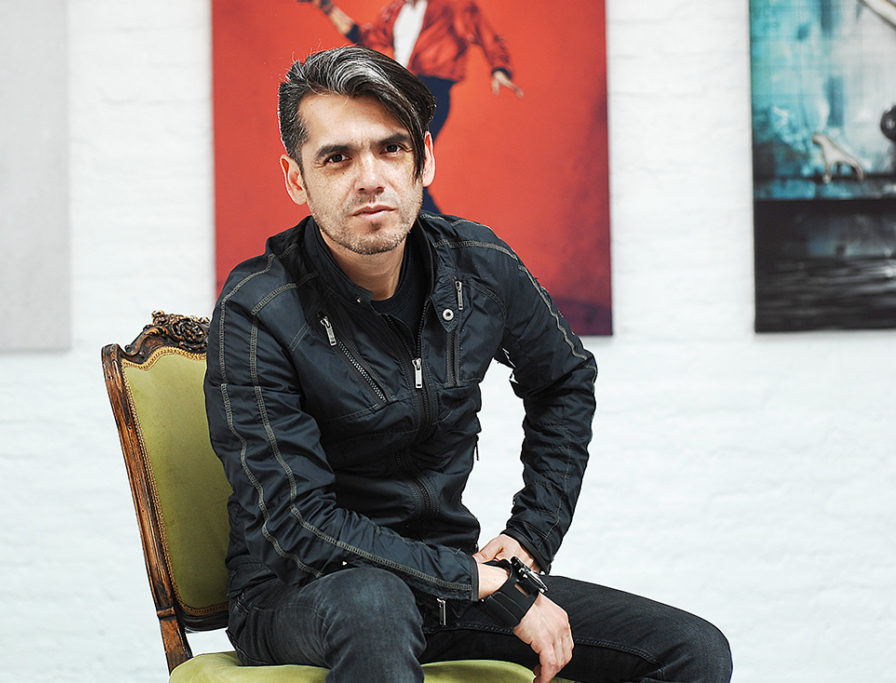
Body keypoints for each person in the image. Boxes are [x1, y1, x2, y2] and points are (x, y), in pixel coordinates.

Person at [205, 46, 732, 682]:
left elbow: (565, 379)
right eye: (337, 157)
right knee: (374, 602)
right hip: (302, 593)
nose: (370, 177)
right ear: (297, 179)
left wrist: (532, 536)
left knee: (692, 651)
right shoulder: (257, 309)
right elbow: (300, 523)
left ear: (424, 159)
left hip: (448, 578)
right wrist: (482, 583)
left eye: (391, 148)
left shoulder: (477, 265)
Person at [299, 0, 522, 212]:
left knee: (410, 169)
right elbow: (365, 38)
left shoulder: (452, 5)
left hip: (431, 93)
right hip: (403, 92)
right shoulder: (396, 10)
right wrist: (328, 7)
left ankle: (436, 230)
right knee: (404, 169)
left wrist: (500, 68)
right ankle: (431, 229)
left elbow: (487, 36)